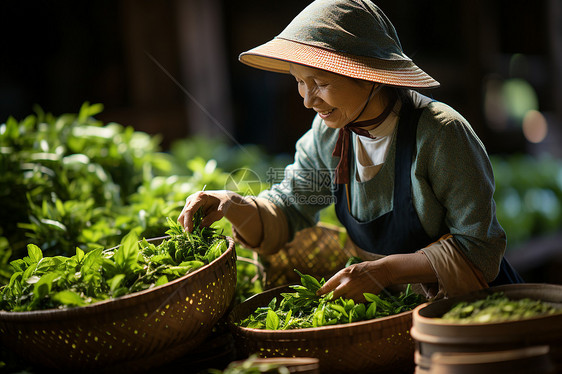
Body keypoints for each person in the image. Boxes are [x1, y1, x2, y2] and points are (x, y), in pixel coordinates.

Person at [178, 0, 523, 301]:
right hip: (391, 314)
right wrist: (233, 204)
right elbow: (287, 211)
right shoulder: (329, 135)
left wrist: (384, 272)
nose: (307, 100)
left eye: (321, 84)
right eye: (299, 81)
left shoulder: (439, 133)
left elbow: (480, 250)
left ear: (370, 76)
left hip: (468, 310)